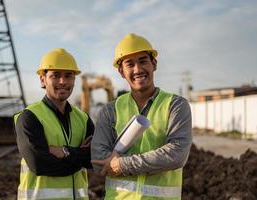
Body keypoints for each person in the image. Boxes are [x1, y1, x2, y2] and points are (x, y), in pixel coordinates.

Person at [91, 33, 192, 200]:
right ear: (121, 72)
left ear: (154, 64)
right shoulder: (110, 110)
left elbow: (176, 155)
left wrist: (122, 164)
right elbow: (98, 160)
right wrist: (153, 161)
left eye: (143, 61)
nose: (137, 69)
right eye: (130, 64)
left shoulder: (176, 105)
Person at [14, 48, 94, 200]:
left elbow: (95, 158)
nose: (62, 81)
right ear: (42, 80)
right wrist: (80, 156)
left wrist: (65, 152)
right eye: (55, 75)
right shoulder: (30, 117)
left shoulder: (83, 119)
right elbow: (39, 164)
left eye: (68, 76)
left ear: (74, 80)